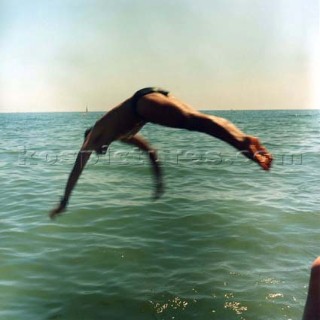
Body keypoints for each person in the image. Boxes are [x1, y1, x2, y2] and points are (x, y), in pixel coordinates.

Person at [50, 87, 273, 218]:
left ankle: (243, 144)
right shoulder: (121, 135)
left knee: (195, 122)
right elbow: (150, 152)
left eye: (99, 150)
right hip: (152, 96)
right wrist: (158, 182)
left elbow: (76, 169)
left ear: (91, 141)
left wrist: (65, 201)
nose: (102, 151)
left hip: (143, 104)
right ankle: (245, 139)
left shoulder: (94, 136)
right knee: (197, 120)